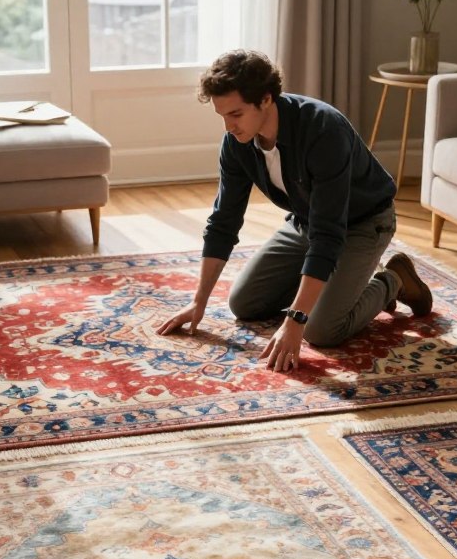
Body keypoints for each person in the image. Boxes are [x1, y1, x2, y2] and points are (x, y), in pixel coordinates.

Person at [157, 49, 433, 372]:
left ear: (265, 99)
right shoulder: (236, 143)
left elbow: (328, 235)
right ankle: (331, 285)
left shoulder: (323, 129)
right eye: (222, 116)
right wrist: (198, 301)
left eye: (235, 114)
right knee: (244, 303)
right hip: (306, 222)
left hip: (363, 223)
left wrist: (295, 319)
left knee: (321, 330)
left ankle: (394, 279)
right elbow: (223, 222)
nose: (228, 126)